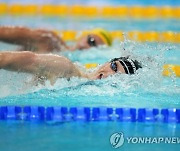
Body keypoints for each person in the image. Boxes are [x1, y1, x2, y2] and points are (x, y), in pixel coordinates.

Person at [0, 51, 142, 85]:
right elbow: (4, 59)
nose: (109, 75)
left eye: (118, 77)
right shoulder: (64, 67)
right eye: (114, 66)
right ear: (106, 62)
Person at [0, 26, 112, 53]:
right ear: (83, 36)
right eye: (91, 41)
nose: (88, 46)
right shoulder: (49, 40)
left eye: (95, 46)